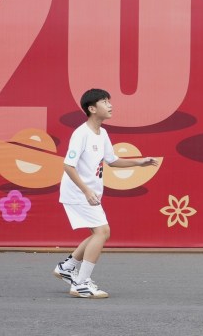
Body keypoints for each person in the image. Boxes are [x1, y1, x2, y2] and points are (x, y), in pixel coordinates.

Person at [53, 88, 158, 299]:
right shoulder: (81, 134)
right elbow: (68, 166)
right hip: (78, 192)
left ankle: (68, 267)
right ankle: (80, 284)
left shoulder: (103, 133)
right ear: (92, 109)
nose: (110, 105)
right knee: (102, 232)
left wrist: (139, 161)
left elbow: (112, 160)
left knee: (98, 233)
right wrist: (86, 191)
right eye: (104, 102)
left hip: (88, 193)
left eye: (109, 101)